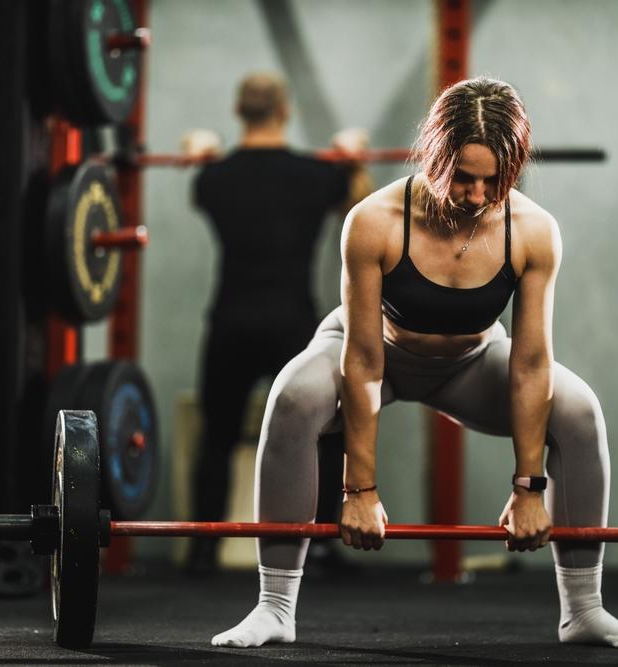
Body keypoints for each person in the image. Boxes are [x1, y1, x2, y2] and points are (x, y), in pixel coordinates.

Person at [209, 76, 618, 651]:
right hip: (379, 349)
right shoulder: (375, 221)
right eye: (463, 179)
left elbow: (529, 364)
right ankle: (274, 607)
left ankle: (584, 610)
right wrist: (359, 489)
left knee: (579, 411)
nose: (476, 196)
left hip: (471, 361)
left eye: (493, 181)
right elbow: (366, 358)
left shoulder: (533, 232)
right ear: (435, 157)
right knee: (293, 394)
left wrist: (529, 488)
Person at [185, 72, 372, 574]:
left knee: (218, 436)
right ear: (285, 111)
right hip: (293, 325)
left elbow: (200, 193)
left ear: (237, 110)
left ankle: (204, 548)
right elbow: (358, 207)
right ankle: (327, 542)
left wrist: (208, 153)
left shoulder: (215, 178)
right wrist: (350, 157)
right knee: (325, 432)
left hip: (231, 322)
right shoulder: (316, 175)